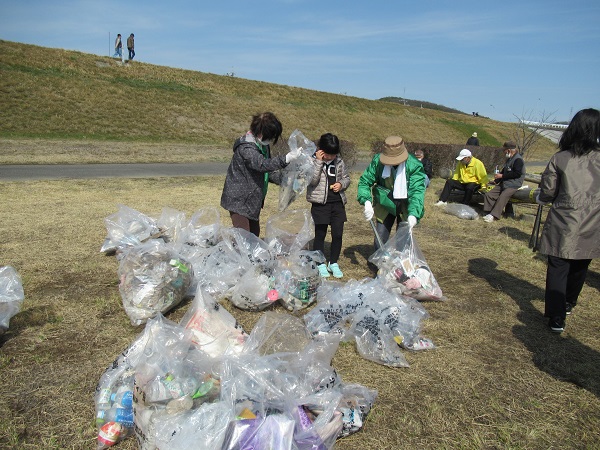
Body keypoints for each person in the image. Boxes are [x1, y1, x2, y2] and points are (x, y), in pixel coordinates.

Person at [536, 108, 600, 333]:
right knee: (581, 264)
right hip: (594, 221)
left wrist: (541, 196)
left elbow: (547, 192)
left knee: (558, 267)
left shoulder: (561, 158)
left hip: (564, 220)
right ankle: (569, 302)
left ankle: (556, 316)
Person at [220, 112, 300, 236]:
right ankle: (235, 255)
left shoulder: (262, 146)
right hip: (239, 200)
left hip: (252, 200)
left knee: (253, 234)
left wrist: (285, 179)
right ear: (261, 133)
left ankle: (244, 254)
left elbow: (268, 172)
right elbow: (261, 165)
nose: (272, 140)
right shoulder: (246, 147)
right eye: (271, 137)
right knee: (244, 237)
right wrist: (286, 158)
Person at [357, 136, 426, 250]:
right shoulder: (378, 161)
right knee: (380, 238)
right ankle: (380, 264)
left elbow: (417, 192)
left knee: (402, 240)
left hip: (405, 205)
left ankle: (399, 265)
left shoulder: (414, 166)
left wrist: (414, 214)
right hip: (385, 203)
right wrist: (367, 202)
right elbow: (364, 181)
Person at [306, 133, 351, 278]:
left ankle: (333, 262)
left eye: (334, 154)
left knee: (338, 234)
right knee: (320, 234)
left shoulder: (339, 162)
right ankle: (320, 263)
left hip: (337, 203)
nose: (331, 157)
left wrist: (341, 184)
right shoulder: (312, 161)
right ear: (321, 149)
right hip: (320, 204)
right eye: (328, 154)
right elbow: (312, 181)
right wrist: (318, 162)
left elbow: (347, 178)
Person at [482, 141, 525, 222]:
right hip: (505, 183)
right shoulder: (509, 159)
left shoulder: (518, 160)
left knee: (503, 197)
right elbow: (504, 171)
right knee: (489, 194)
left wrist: (502, 176)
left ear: (509, 150)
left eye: (504, 150)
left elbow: (517, 173)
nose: (503, 152)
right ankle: (488, 211)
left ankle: (494, 215)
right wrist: (496, 181)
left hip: (514, 185)